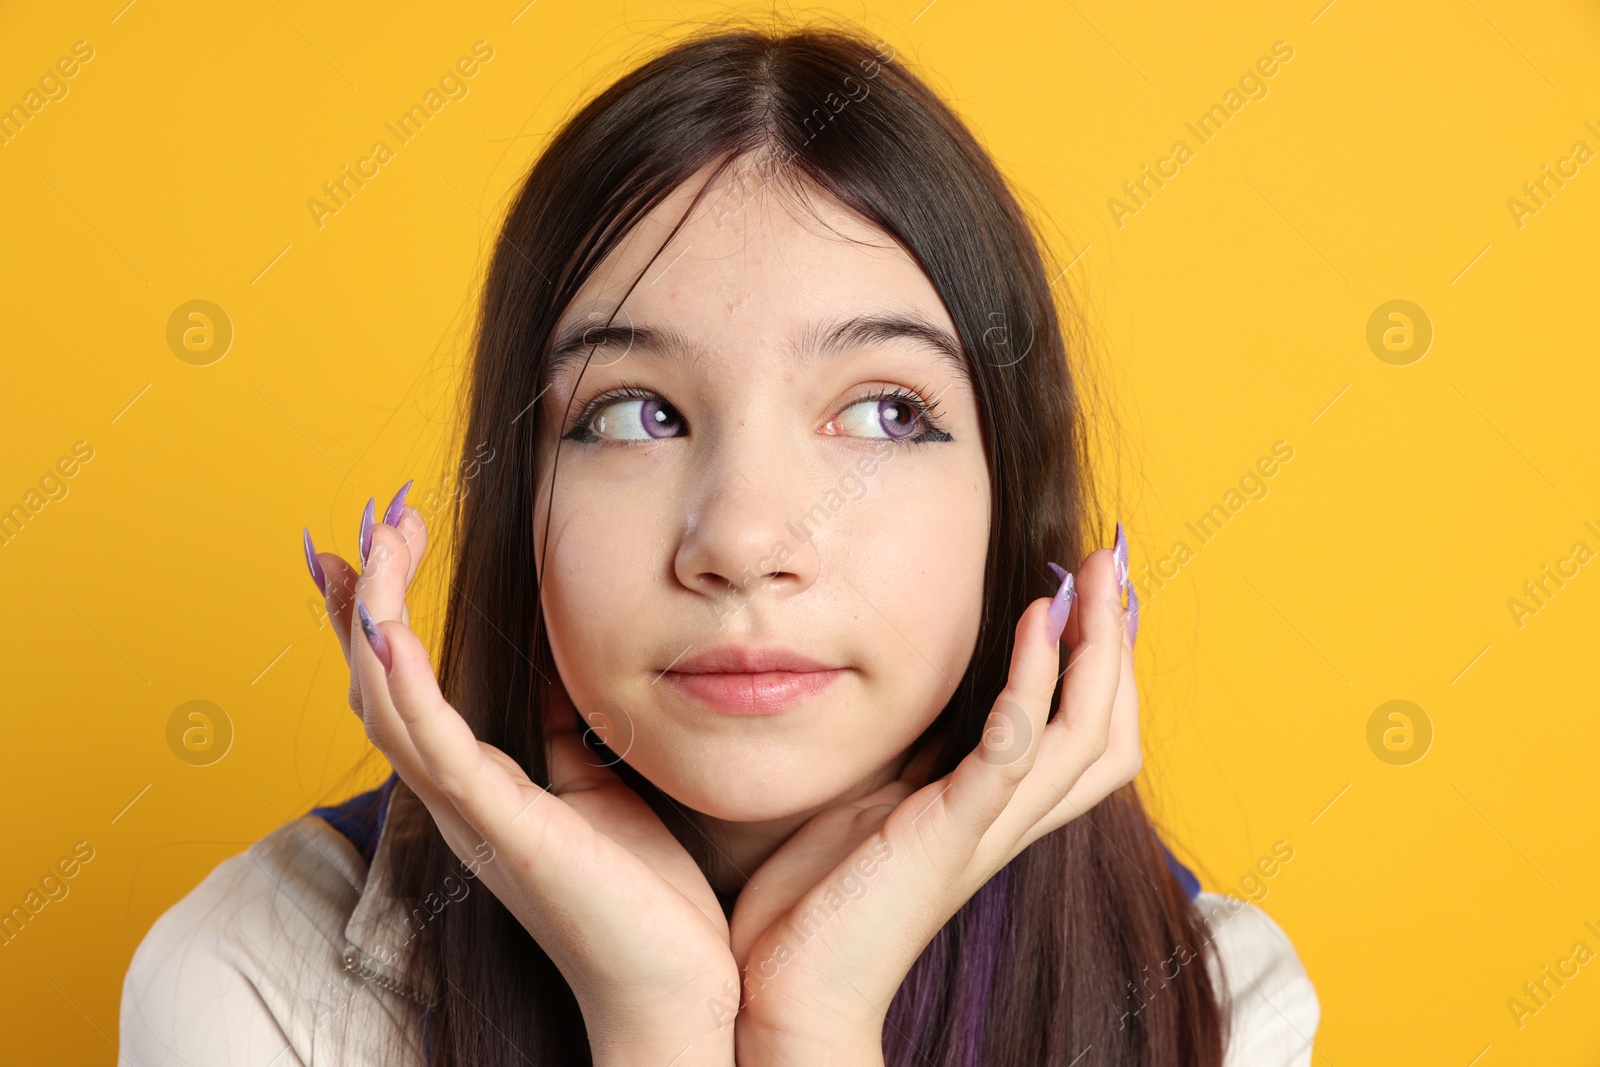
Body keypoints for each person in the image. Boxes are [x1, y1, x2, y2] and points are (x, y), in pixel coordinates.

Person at [119, 21, 1319, 1066]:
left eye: (887, 411)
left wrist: (813, 1027)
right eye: (633, 412)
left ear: (1011, 495)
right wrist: (659, 1027)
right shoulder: (258, 979)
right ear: (517, 492)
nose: (744, 542)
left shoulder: (1214, 1003)